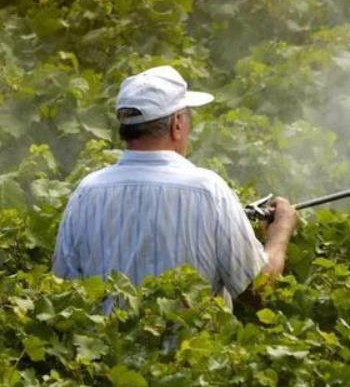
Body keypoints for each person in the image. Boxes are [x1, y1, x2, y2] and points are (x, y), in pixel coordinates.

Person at [52, 65, 298, 308]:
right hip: (191, 349)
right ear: (177, 123)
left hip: (107, 348)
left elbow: (63, 295)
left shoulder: (86, 193)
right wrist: (280, 233)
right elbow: (257, 291)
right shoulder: (208, 190)